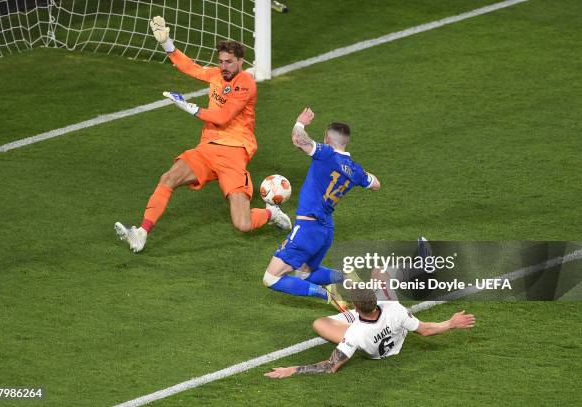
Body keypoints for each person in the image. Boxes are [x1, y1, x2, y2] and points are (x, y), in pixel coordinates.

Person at [115, 16, 291, 253]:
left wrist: (187, 106)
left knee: (242, 223)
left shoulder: (246, 83)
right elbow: (191, 67)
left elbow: (222, 117)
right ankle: (141, 233)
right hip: (207, 149)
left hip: (234, 153)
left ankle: (271, 213)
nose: (224, 67)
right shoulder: (217, 76)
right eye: (221, 62)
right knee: (168, 178)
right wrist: (167, 43)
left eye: (229, 62)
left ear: (240, 61)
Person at [262, 107, 381, 302]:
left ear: (327, 139)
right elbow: (376, 184)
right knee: (306, 274)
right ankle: (348, 278)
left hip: (308, 228)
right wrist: (357, 172)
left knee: (271, 278)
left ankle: (328, 295)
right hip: (326, 230)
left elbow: (299, 140)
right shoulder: (355, 169)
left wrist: (300, 123)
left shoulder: (326, 154)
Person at [265, 289, 476, 378]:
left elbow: (330, 367)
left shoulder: (354, 333)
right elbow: (426, 330)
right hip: (395, 342)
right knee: (381, 274)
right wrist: (450, 323)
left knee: (319, 323)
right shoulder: (395, 308)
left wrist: (292, 369)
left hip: (371, 346)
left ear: (356, 309)